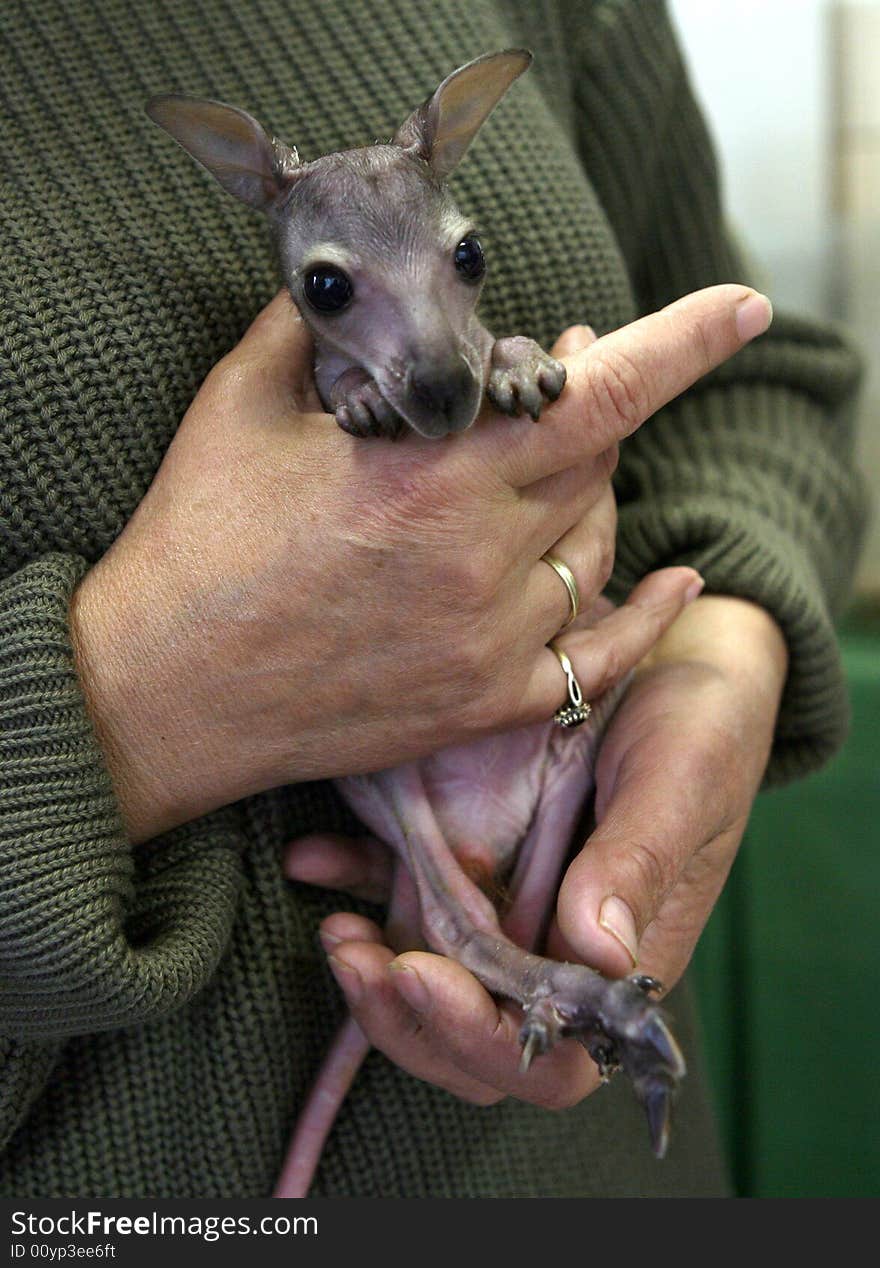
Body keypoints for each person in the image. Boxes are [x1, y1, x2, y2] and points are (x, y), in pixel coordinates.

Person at [0, 0, 866, 1198]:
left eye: (459, 264)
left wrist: (720, 653)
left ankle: (558, 967)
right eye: (337, 292)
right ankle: (514, 955)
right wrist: (130, 712)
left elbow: (756, 385)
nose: (432, 353)